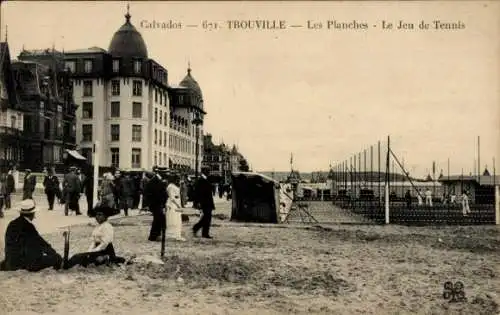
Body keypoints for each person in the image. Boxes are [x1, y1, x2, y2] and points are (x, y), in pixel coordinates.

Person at [0, 199, 63, 272]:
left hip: (10, 261)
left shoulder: (12, 224)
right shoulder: (28, 227)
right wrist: (54, 254)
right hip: (24, 264)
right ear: (32, 213)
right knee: (56, 258)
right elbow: (41, 243)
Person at [144, 170, 167, 242]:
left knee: (159, 219)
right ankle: (153, 236)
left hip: (156, 203)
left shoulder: (155, 181)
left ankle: (157, 234)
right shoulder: (154, 181)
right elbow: (157, 193)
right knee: (157, 219)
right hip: (156, 203)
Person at [192, 168, 216, 239]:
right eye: (207, 171)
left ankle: (202, 231)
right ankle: (201, 230)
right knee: (207, 218)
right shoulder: (200, 180)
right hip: (204, 202)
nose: (209, 172)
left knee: (207, 218)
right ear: (204, 172)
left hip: (208, 201)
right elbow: (198, 192)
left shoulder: (206, 179)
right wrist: (198, 202)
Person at [165, 175, 185, 241]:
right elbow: (172, 198)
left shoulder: (174, 186)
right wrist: (178, 205)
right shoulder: (170, 186)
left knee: (177, 219)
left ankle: (177, 234)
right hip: (172, 204)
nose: (178, 181)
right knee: (173, 219)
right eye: (177, 179)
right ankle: (173, 234)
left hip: (176, 203)